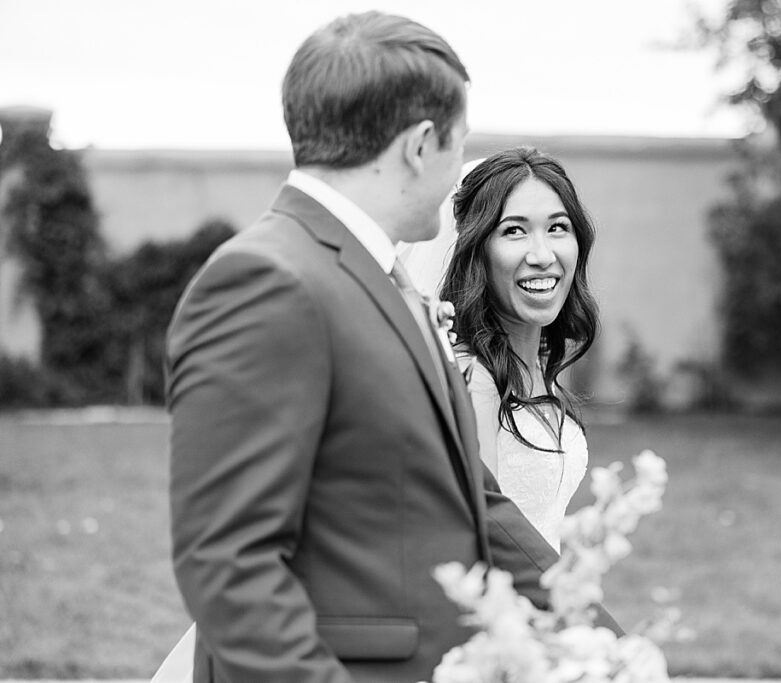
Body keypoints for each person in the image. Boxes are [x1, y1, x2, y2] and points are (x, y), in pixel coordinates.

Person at [161, 12, 618, 683]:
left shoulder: (390, 281)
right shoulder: (265, 280)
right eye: (458, 145)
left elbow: (476, 505)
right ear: (421, 144)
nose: (461, 166)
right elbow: (229, 562)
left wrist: (603, 641)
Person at [436, 147, 598, 552]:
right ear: (477, 251)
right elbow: (480, 544)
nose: (542, 255)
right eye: (514, 230)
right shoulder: (475, 383)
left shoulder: (536, 364)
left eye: (558, 227)